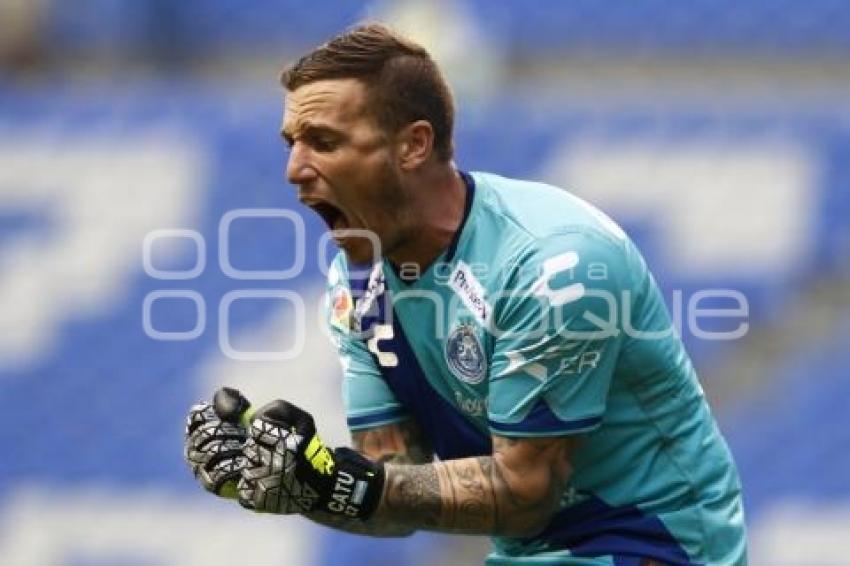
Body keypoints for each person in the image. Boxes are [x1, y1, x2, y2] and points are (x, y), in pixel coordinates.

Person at [185, 23, 747, 565]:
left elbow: (525, 493)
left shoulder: (554, 265)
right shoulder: (355, 282)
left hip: (652, 550)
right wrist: (295, 480)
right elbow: (393, 495)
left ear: (413, 145)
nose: (293, 170)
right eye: (292, 143)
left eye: (324, 142)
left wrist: (340, 482)